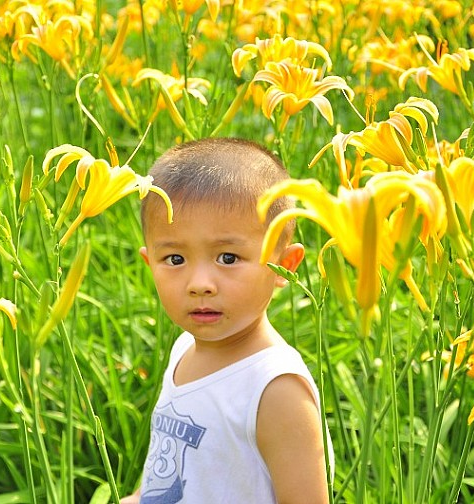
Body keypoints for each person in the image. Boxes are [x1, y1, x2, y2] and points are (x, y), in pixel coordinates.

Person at [122, 137, 330, 504]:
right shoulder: (184, 348)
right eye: (174, 259)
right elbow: (167, 470)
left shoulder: (276, 389)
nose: (200, 284)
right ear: (149, 263)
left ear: (285, 266)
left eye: (228, 258)